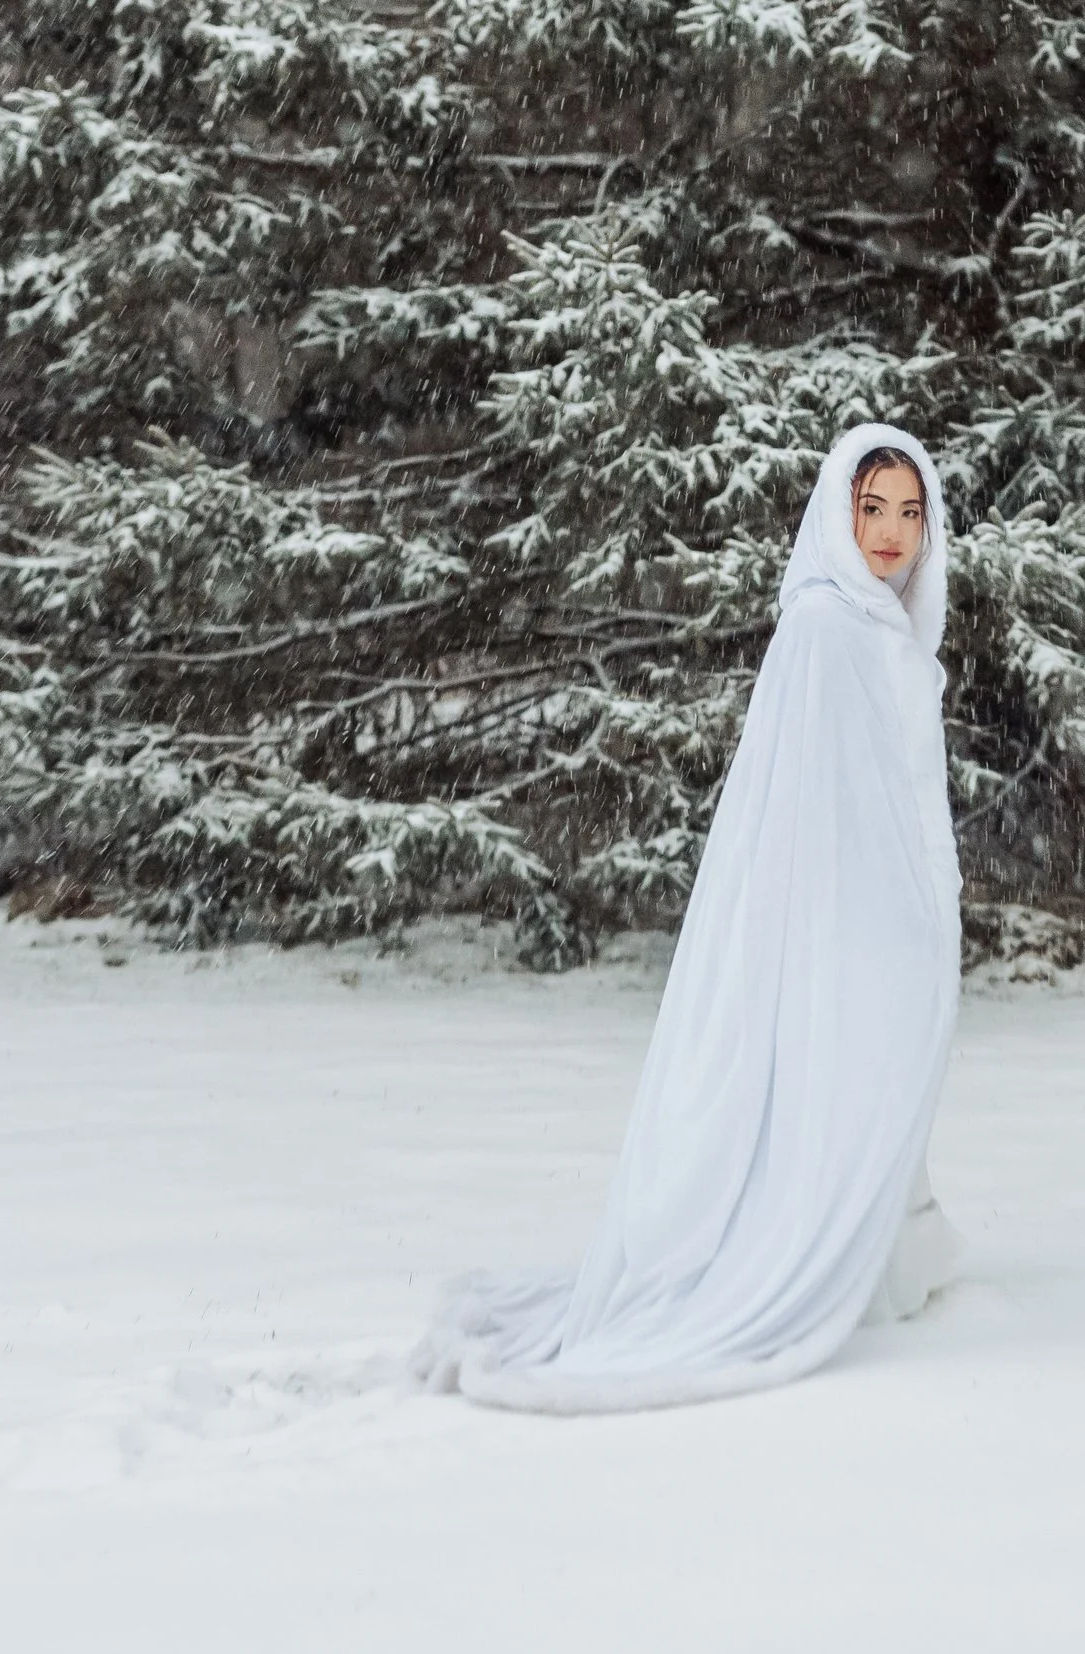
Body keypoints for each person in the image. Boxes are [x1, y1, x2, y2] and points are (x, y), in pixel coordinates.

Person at [409, 422, 966, 1413]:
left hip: (893, 908)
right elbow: (825, 798)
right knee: (852, 1084)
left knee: (880, 1087)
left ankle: (886, 1254)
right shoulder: (826, 627)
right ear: (835, 518)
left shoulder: (881, 629)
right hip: (852, 913)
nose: (890, 530)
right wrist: (896, 910)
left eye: (909, 511)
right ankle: (831, 1258)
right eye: (870, 508)